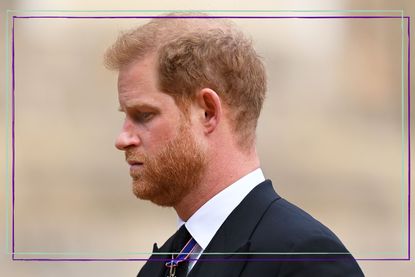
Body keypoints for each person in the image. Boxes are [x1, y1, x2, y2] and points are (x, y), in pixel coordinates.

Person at [104, 13, 364, 277]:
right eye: (125, 116)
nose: (122, 139)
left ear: (207, 112)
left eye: (144, 115)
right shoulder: (160, 266)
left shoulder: (305, 259)